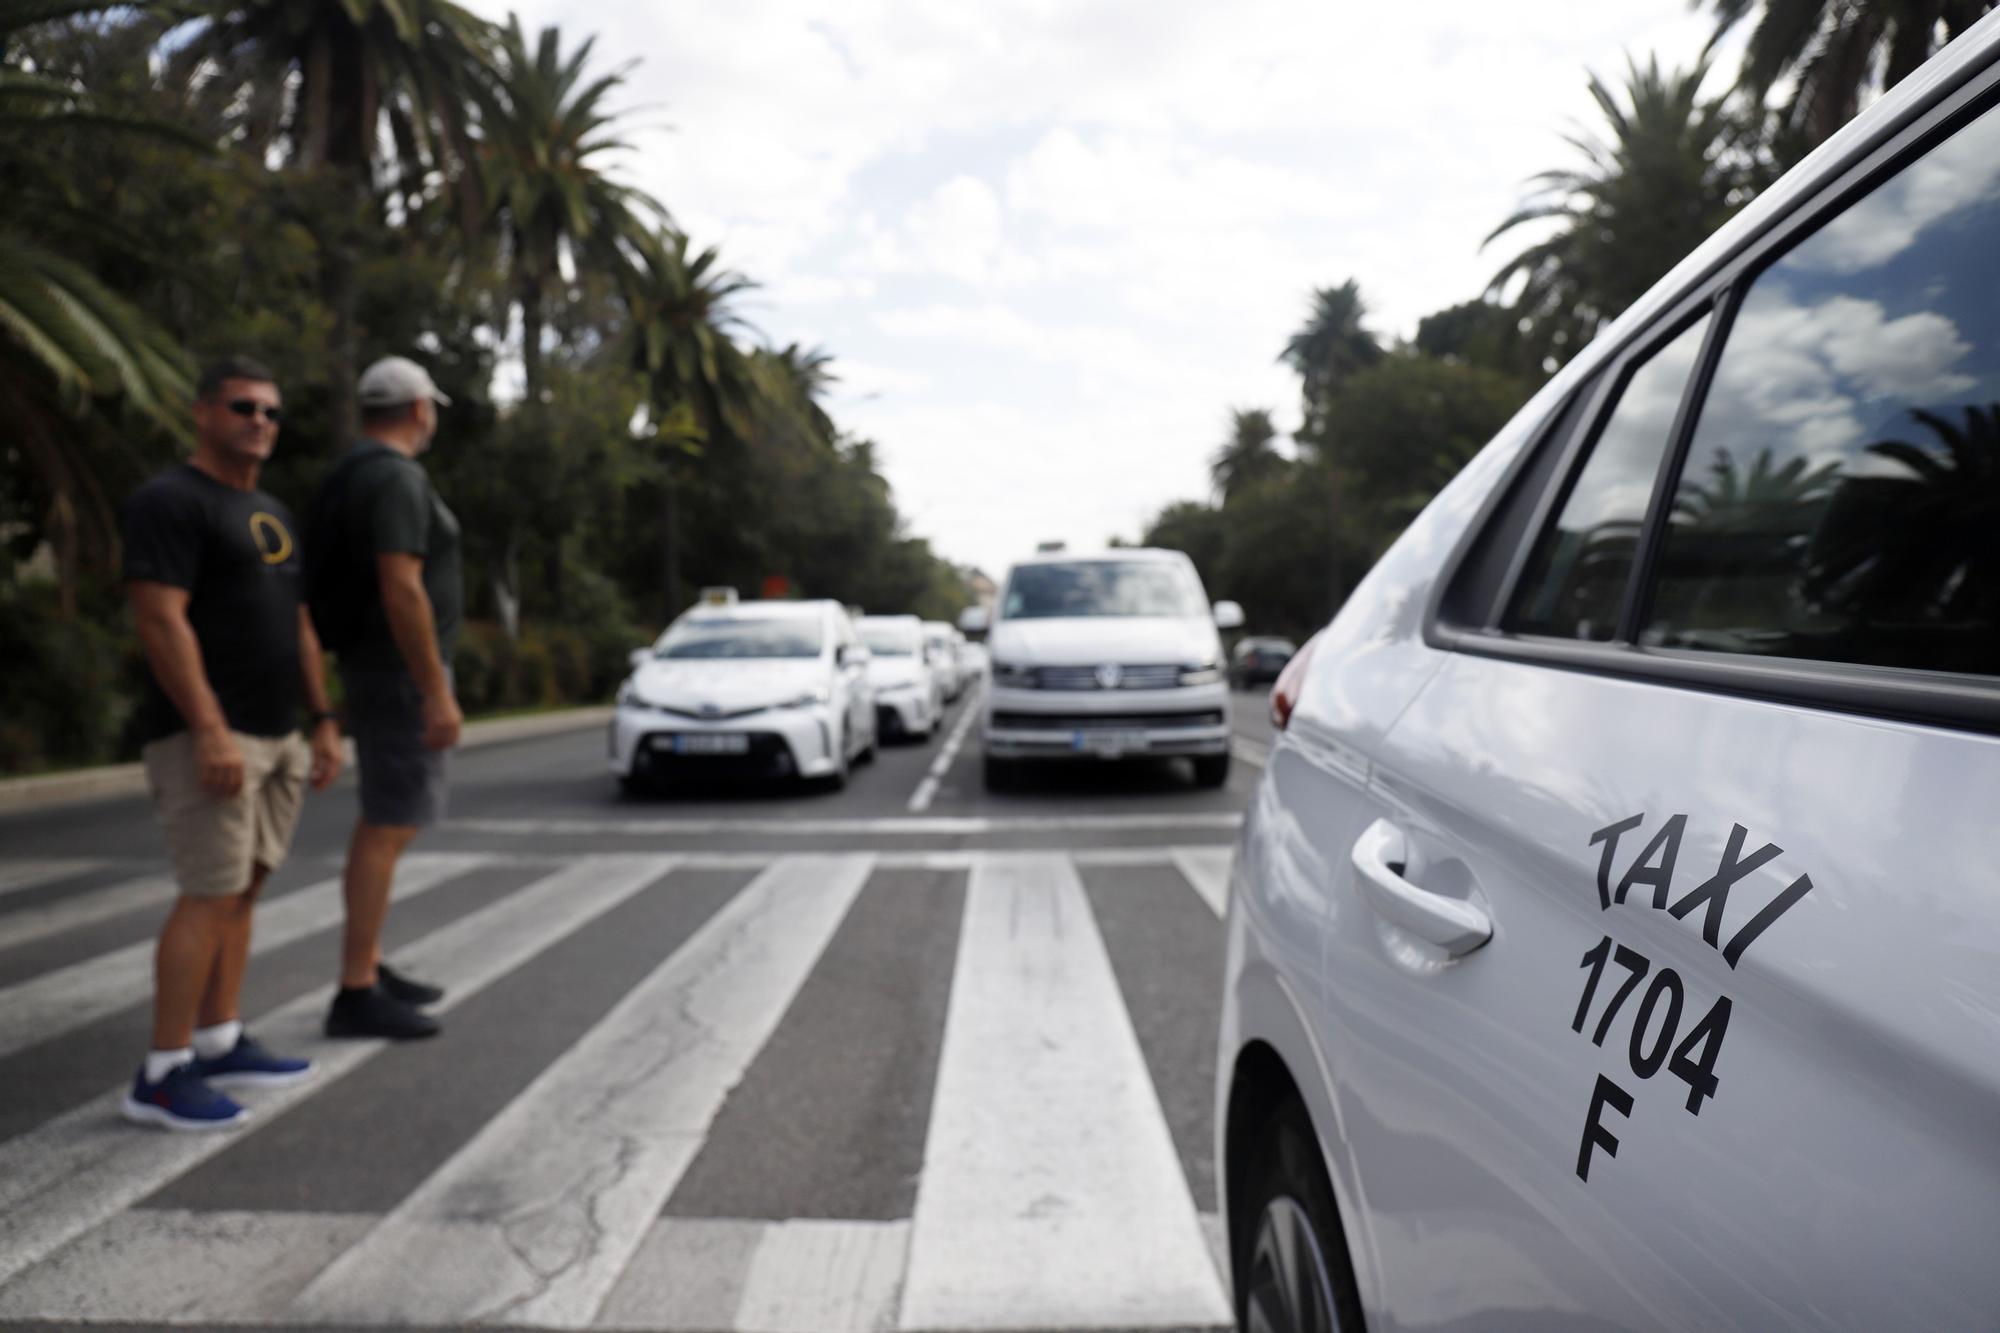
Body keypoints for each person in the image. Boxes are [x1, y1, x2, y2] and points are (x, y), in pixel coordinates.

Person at [121, 355, 343, 1131]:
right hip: (208, 736)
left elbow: (299, 622)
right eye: (244, 407)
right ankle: (162, 1070)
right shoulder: (170, 502)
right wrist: (208, 727)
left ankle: (217, 1037)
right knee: (209, 892)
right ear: (204, 413)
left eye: (271, 412)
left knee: (245, 887)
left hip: (277, 732)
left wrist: (321, 718)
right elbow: (160, 618)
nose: (260, 423)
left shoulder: (272, 514)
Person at [306, 355, 462, 1040]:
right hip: (397, 674)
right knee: (389, 823)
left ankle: (366, 963)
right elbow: (402, 585)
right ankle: (356, 987)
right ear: (420, 410)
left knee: (387, 821)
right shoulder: (397, 477)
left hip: (371, 667)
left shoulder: (346, 474)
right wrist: (434, 689)